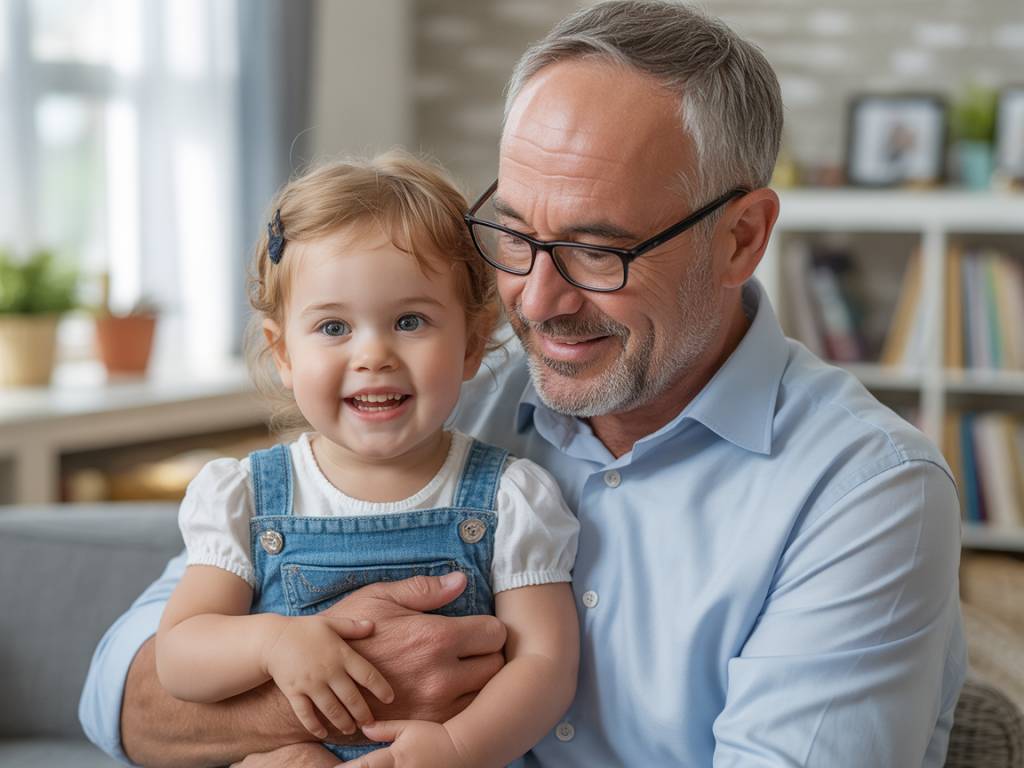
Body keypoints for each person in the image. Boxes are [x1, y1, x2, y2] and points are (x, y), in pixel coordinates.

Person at [81, 2, 966, 766]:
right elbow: (122, 691)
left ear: (740, 237)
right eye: (512, 232)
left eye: (597, 249)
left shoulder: (864, 495)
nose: (533, 302)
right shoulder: (437, 395)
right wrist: (341, 691)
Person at [151, 152, 579, 766]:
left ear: (471, 344)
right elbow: (180, 656)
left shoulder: (512, 498)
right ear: (284, 353)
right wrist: (274, 642)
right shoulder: (247, 497)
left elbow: (547, 664)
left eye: (410, 320)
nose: (373, 354)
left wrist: (456, 746)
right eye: (332, 328)